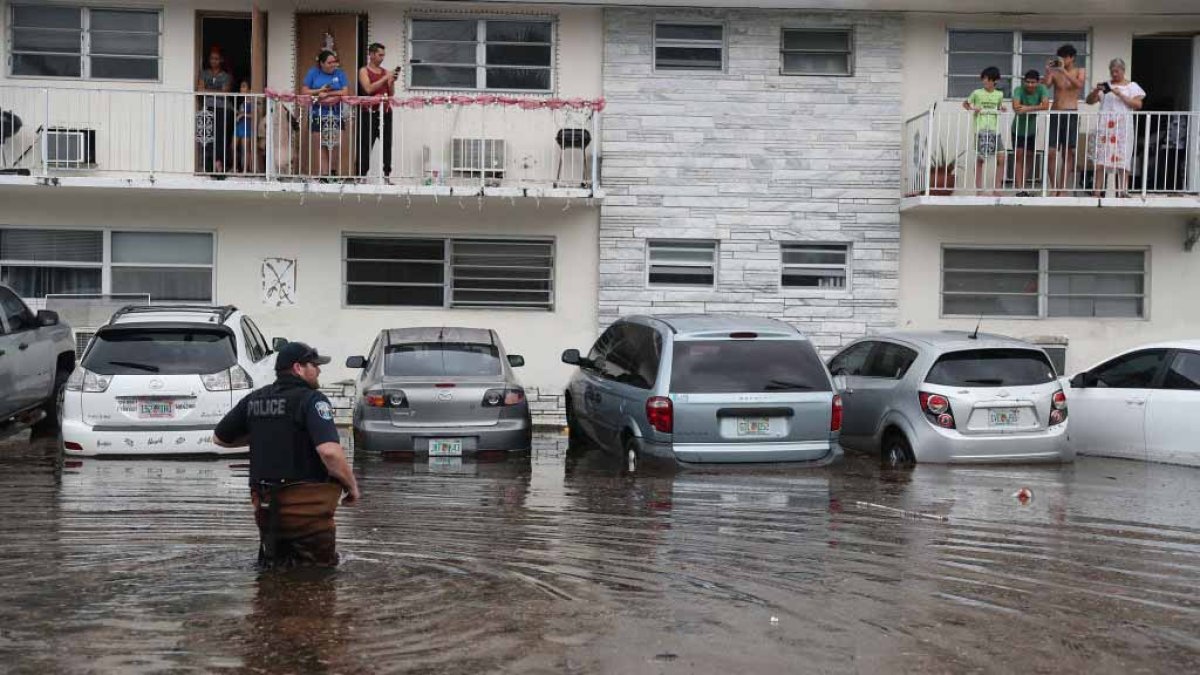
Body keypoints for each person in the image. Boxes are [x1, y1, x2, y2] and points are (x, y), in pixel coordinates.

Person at [214, 342, 361, 568]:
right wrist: (351, 486)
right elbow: (329, 452)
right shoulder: (313, 400)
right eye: (314, 365)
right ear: (298, 368)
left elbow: (220, 439)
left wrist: (262, 433)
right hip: (307, 510)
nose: (319, 370)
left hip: (266, 507)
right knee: (318, 576)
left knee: (273, 572)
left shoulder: (255, 399)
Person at [1086, 58, 1145, 197]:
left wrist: (1120, 94)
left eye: (1117, 71)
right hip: (1105, 127)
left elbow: (1138, 105)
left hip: (1123, 128)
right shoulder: (1106, 86)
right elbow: (1090, 101)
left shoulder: (1132, 86)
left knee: (1122, 159)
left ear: (1123, 71)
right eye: (1112, 71)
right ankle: (1097, 191)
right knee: (1101, 159)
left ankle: (1122, 191)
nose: (1114, 74)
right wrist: (1095, 91)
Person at [1043, 44, 1087, 196]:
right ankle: (1054, 186)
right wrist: (1048, 72)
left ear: (1072, 58)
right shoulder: (1055, 72)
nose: (1062, 60)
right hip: (1055, 112)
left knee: (1068, 153)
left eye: (1065, 57)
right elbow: (1045, 87)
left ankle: (1062, 188)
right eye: (1060, 57)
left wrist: (1064, 72)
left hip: (1071, 113)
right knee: (1051, 152)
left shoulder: (1079, 71)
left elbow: (1079, 85)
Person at [301, 51, 350, 178]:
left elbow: (344, 92)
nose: (333, 65)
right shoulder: (313, 72)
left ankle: (333, 172)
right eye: (329, 62)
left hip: (336, 113)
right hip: (317, 113)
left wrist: (328, 94)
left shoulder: (340, 73)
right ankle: (324, 173)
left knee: (336, 142)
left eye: (334, 62)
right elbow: (305, 90)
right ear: (321, 64)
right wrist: (319, 91)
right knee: (320, 143)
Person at [962, 66, 1007, 196]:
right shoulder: (976, 93)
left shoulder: (999, 94)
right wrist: (972, 108)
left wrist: (1002, 108)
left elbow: (998, 107)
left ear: (994, 81)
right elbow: (965, 104)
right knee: (980, 159)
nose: (985, 82)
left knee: (1002, 157)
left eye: (987, 80)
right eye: (984, 79)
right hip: (980, 130)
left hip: (995, 130)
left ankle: (997, 188)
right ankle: (979, 190)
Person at [356, 43, 397, 180]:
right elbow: (368, 89)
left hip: (385, 111)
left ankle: (386, 175)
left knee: (387, 144)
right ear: (371, 55)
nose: (382, 58)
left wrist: (391, 82)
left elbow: (391, 94)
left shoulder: (385, 72)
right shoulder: (364, 71)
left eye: (383, 55)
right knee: (366, 143)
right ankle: (362, 175)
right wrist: (385, 78)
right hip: (369, 111)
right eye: (380, 55)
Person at [1011, 70, 1050, 195]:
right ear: (1024, 81)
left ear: (1038, 82)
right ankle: (1020, 188)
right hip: (1017, 128)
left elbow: (1045, 105)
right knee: (1018, 156)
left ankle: (1023, 185)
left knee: (1029, 157)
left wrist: (1027, 108)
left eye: (1033, 82)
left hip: (1031, 130)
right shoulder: (1019, 89)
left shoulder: (1042, 89)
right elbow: (1016, 107)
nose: (1030, 85)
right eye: (1027, 82)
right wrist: (1033, 107)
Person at [196, 46, 234, 176]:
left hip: (223, 109)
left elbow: (225, 92)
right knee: (208, 136)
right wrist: (216, 91)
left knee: (221, 137)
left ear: (221, 60)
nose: (214, 61)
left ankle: (221, 165)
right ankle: (210, 164)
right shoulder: (204, 73)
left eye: (216, 58)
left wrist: (207, 90)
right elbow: (199, 90)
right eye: (212, 58)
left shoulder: (226, 76)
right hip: (208, 108)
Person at [232, 80, 258, 174]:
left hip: (246, 127)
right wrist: (239, 114)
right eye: (241, 87)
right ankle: (234, 168)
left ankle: (245, 170)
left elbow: (253, 115)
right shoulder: (242, 102)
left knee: (245, 149)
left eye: (243, 86)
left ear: (249, 89)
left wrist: (242, 115)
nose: (241, 89)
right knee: (233, 147)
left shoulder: (252, 101)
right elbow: (242, 114)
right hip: (239, 126)